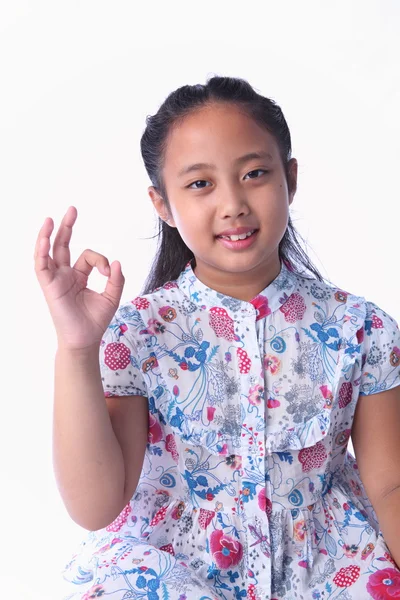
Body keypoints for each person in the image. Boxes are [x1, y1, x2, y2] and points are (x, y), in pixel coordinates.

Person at [34, 76, 400, 600]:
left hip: (328, 569)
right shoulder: (138, 333)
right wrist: (76, 349)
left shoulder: (362, 329)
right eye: (200, 184)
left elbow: (390, 485)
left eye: (254, 173)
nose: (233, 203)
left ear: (289, 179)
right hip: (176, 575)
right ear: (163, 204)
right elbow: (95, 508)